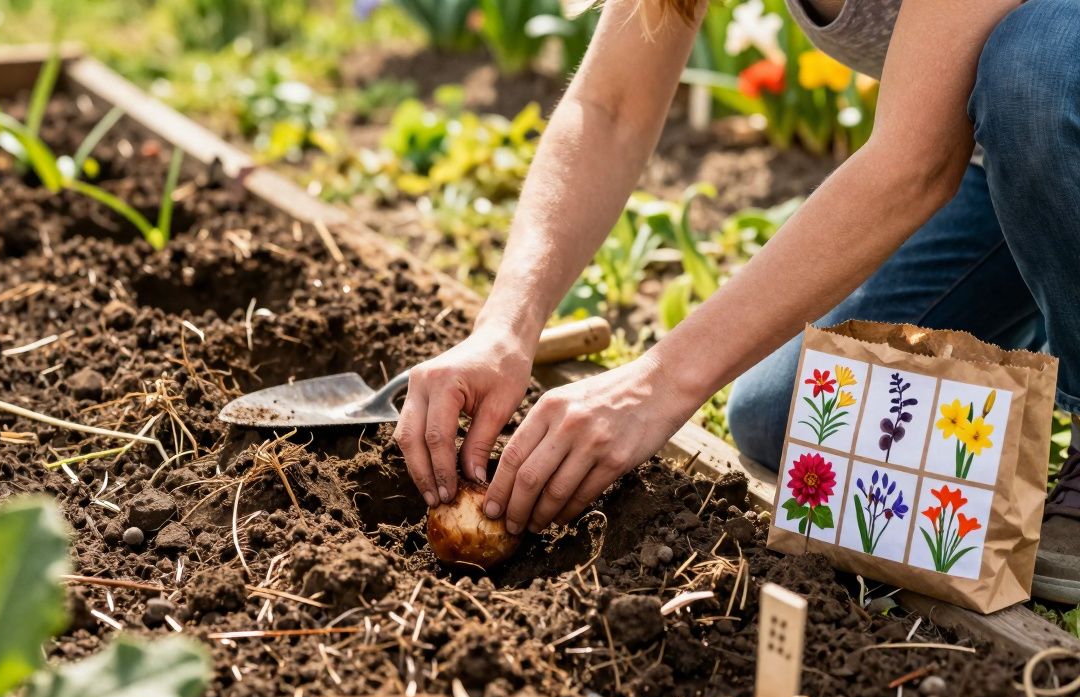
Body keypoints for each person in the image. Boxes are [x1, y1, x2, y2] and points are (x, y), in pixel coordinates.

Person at [392, 0, 1080, 604]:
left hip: (1052, 106)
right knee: (791, 417)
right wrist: (505, 327)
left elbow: (914, 165)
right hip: (1008, 164)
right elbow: (610, 107)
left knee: (1035, 69)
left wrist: (657, 383)